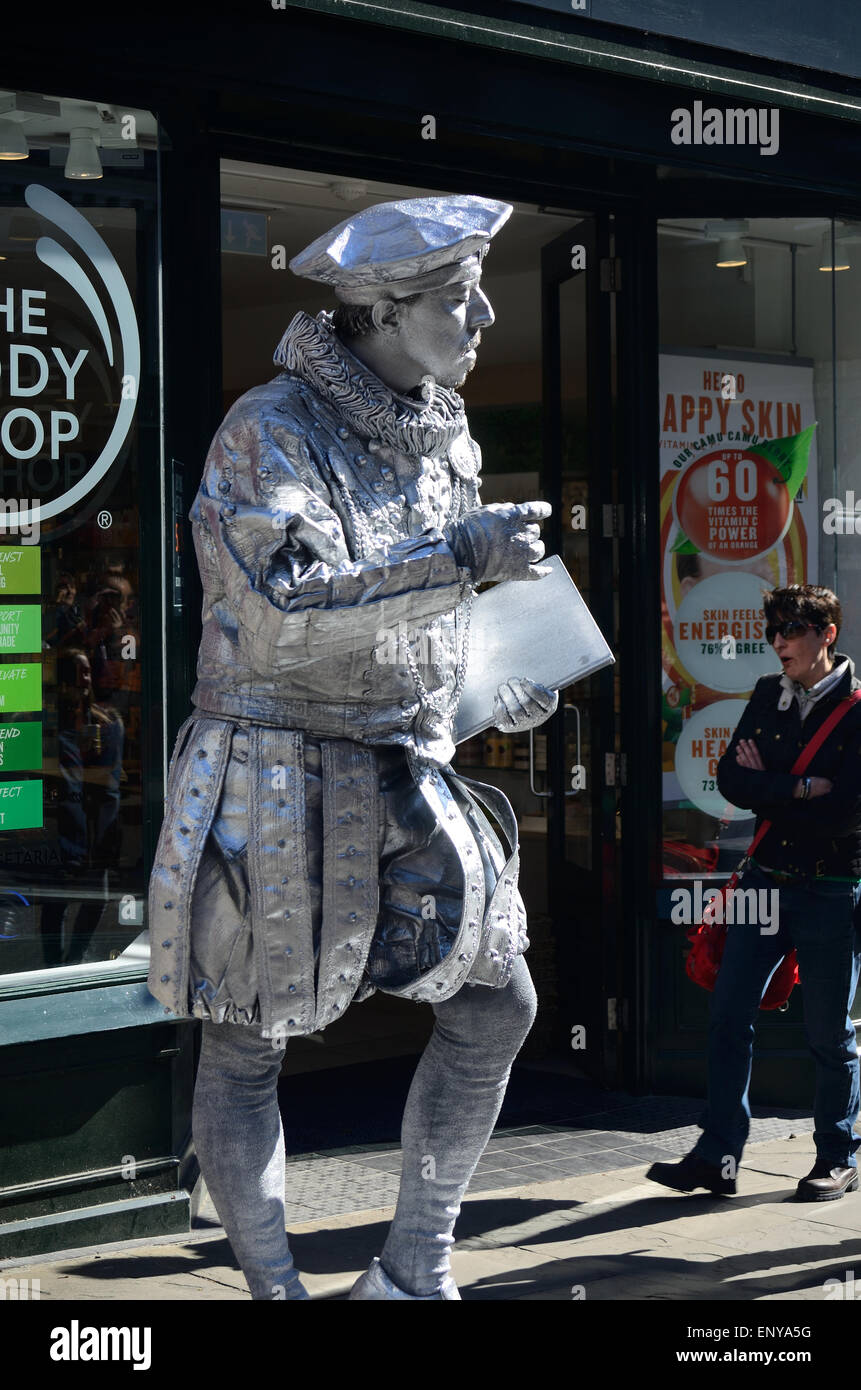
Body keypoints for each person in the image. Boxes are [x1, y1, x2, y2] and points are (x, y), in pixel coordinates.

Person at [147, 194, 560, 1299]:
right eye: (454, 296)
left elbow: (427, 613)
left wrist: (492, 677)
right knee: (249, 1044)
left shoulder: (445, 433)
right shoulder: (270, 428)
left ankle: (413, 1267)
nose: (482, 316)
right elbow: (287, 610)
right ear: (377, 310)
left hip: (407, 769)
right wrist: (462, 557)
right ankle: (278, 1290)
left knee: (498, 1004)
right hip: (277, 772)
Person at [648, 584, 861, 1201]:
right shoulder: (770, 694)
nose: (777, 643)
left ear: (827, 634)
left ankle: (836, 1157)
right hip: (765, 882)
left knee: (829, 1033)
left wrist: (771, 782)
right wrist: (797, 788)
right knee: (726, 1016)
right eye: (772, 630)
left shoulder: (855, 709)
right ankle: (718, 1154)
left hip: (831, 889)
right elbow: (731, 781)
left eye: (791, 631)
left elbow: (846, 810)